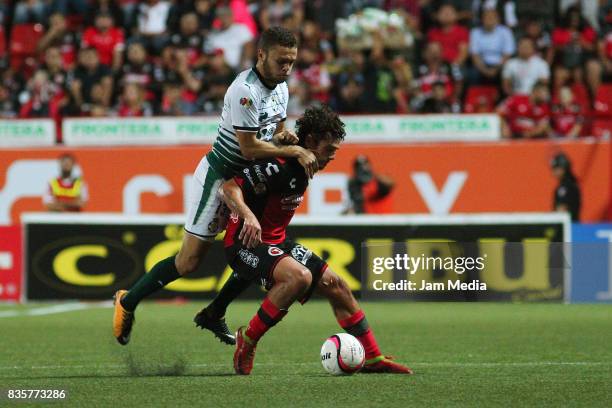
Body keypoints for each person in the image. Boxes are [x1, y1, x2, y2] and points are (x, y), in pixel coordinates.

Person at [112, 27, 317, 346]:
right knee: (188, 262)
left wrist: (286, 137)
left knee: (256, 249)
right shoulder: (243, 90)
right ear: (262, 54)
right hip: (220, 176)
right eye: (281, 61)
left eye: (291, 62)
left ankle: (215, 312)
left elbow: (274, 132)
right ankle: (128, 301)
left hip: (250, 181)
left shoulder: (281, 88)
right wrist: (292, 150)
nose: (287, 68)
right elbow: (249, 148)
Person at [220, 105, 412, 375]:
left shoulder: (300, 164)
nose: (332, 157)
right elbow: (228, 187)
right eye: (329, 150)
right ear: (310, 142)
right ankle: (247, 340)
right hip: (245, 244)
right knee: (298, 277)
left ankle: (372, 358)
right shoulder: (280, 166)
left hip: (277, 242)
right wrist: (248, 216)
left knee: (337, 286)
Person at [551, 152, 581, 221]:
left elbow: (561, 209)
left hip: (568, 226)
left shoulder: (565, 187)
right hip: (574, 225)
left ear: (563, 169)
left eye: (555, 168)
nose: (553, 172)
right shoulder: (573, 184)